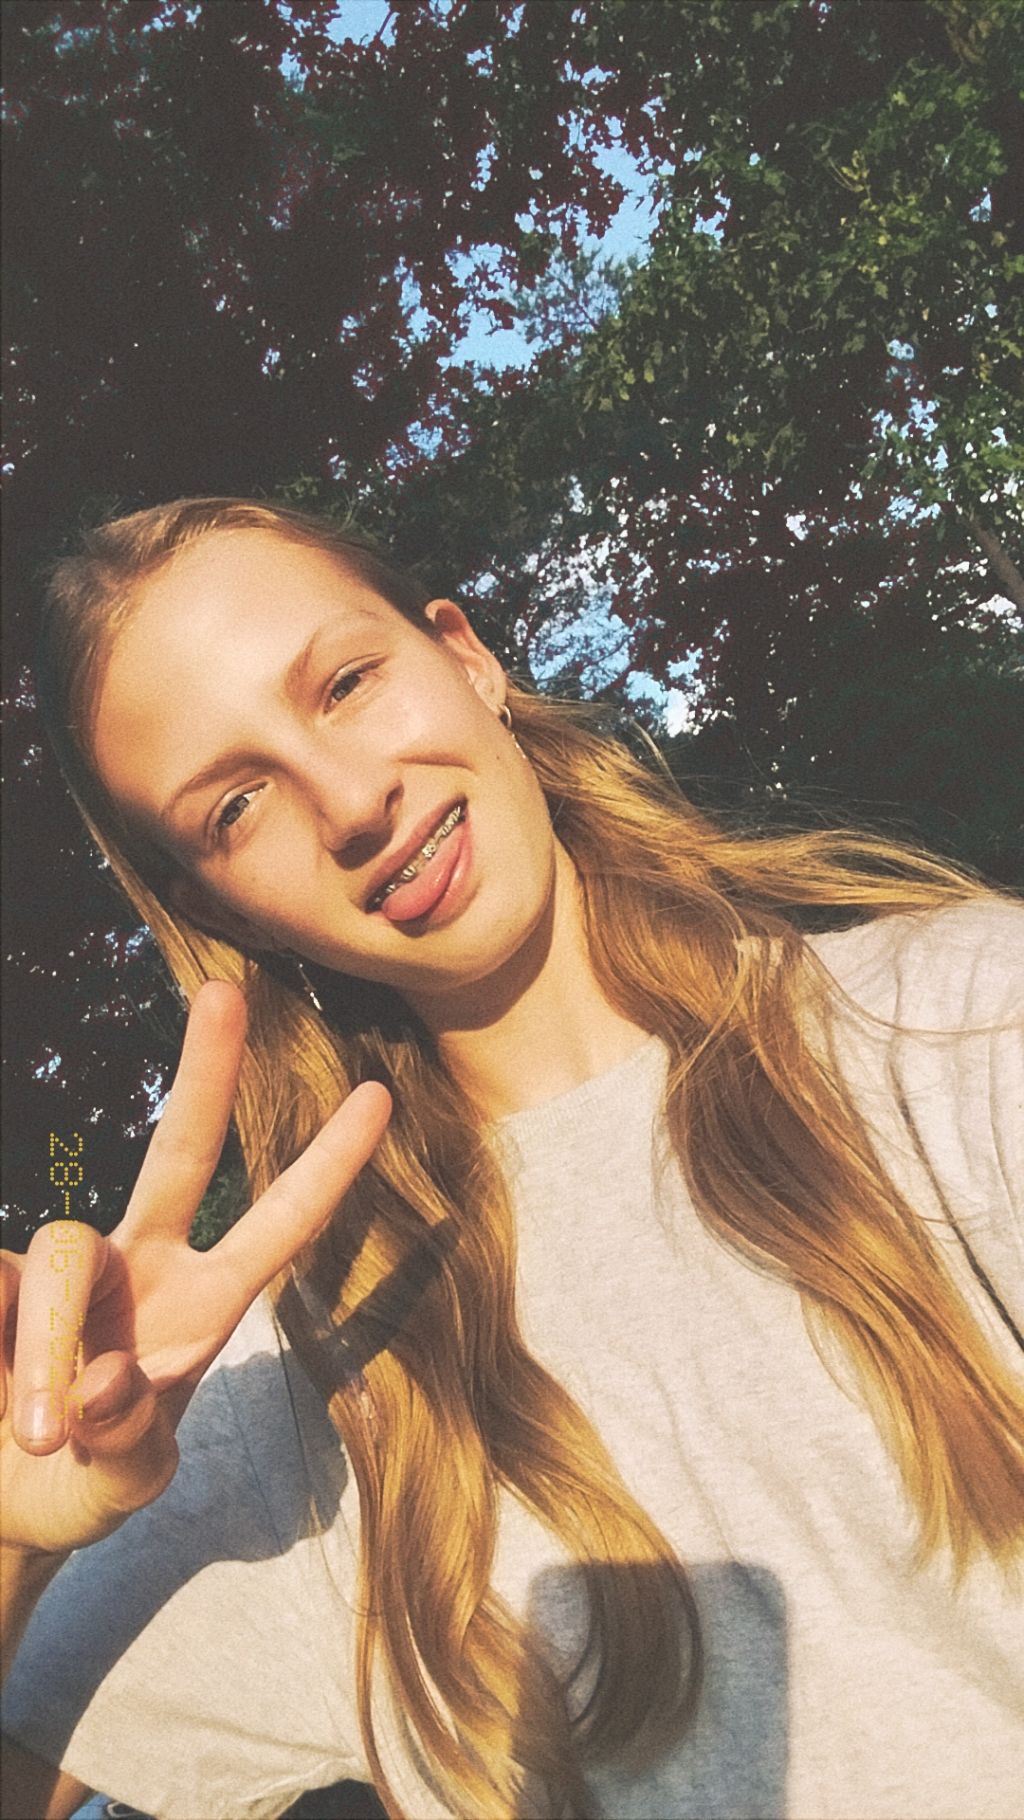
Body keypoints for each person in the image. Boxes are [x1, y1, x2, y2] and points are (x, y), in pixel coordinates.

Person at [1, 497, 1022, 1820]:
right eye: (237, 806)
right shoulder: (285, 1391)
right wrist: (13, 1541)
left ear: (465, 655)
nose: (352, 802)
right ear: (215, 905)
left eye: (347, 683)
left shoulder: (962, 1028)